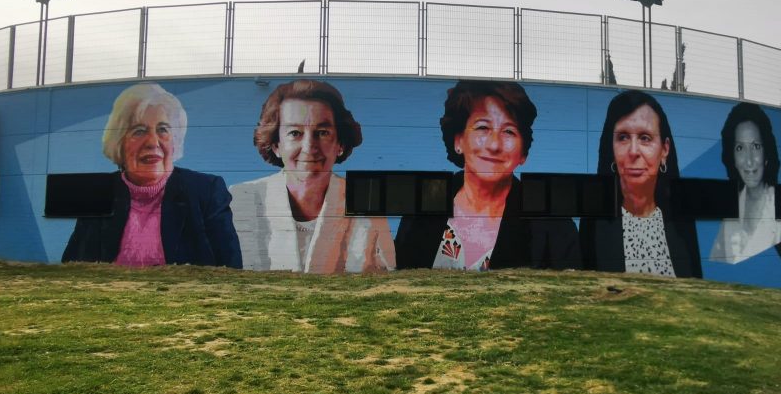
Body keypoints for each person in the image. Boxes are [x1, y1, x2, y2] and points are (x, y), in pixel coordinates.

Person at [395, 80, 580, 270]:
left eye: (509, 131)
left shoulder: (552, 221)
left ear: (523, 153)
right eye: (482, 127)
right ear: (458, 140)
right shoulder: (425, 203)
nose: (494, 145)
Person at [62, 83, 241, 268]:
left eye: (163, 129)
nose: (152, 142)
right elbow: (74, 267)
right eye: (139, 131)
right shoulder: (100, 192)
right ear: (119, 143)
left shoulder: (206, 191)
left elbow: (231, 269)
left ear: (175, 141)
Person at [229, 80, 394, 273]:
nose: (309, 147)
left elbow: (386, 275)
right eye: (295, 133)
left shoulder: (366, 200)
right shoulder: (242, 198)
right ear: (276, 145)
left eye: (322, 132)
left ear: (340, 144)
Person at [579, 90, 700, 277]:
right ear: (611, 147)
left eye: (645, 138)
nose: (633, 151)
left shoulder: (681, 222)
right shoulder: (594, 224)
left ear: (664, 150)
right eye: (623, 137)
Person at [709, 102, 781, 264]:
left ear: (767, 152)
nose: (749, 161)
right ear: (732, 158)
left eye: (755, 146)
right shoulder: (729, 214)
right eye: (740, 148)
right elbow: (715, 266)